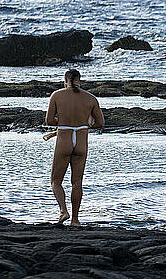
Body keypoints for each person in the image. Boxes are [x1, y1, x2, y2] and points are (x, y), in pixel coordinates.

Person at [45, 69, 104, 225]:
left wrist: (63, 122)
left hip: (64, 140)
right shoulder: (91, 98)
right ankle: (76, 220)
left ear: (65, 79)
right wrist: (85, 124)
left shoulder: (57, 95)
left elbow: (49, 121)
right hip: (81, 141)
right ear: (80, 80)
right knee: (76, 182)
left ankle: (64, 211)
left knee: (56, 181)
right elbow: (100, 123)